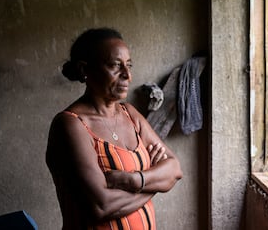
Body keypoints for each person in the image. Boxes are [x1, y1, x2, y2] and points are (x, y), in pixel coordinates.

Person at [46, 27, 183, 230]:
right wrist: (156, 184)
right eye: (114, 66)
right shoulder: (71, 125)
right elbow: (101, 206)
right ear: (85, 70)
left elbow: (175, 169)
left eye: (128, 65)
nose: (127, 75)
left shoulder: (130, 114)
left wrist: (134, 180)